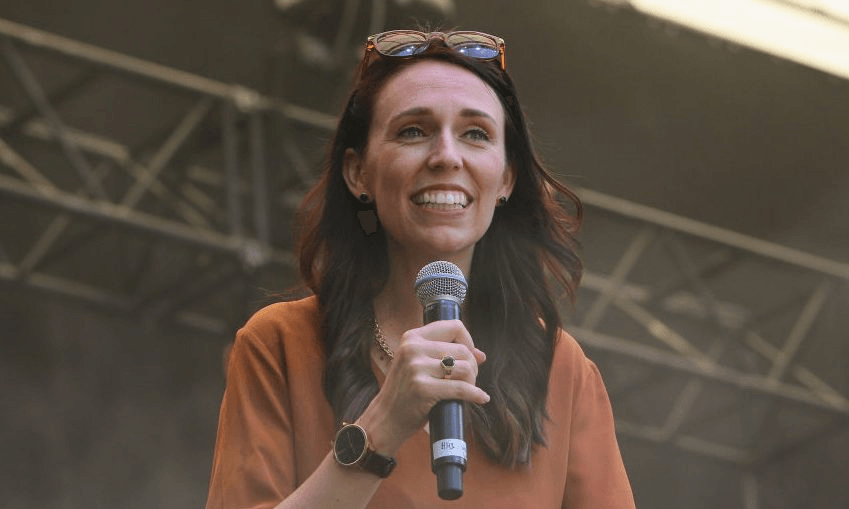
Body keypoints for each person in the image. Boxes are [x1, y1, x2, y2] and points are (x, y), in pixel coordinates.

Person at [205, 30, 635, 509]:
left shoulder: (561, 368)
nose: (447, 156)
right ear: (358, 172)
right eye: (413, 131)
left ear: (507, 178)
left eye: (476, 133)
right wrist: (382, 426)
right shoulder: (280, 344)